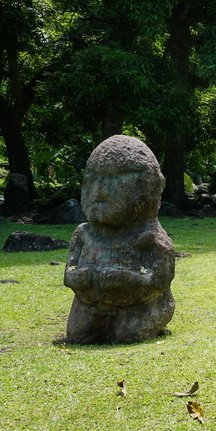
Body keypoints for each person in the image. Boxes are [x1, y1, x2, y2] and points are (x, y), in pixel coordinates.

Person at [64, 135, 175, 344]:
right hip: (89, 305)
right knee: (78, 334)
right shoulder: (84, 234)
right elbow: (68, 274)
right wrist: (80, 277)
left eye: (116, 179)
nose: (100, 190)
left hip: (141, 305)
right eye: (94, 178)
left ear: (150, 187)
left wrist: (126, 278)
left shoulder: (150, 238)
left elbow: (160, 280)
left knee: (128, 335)